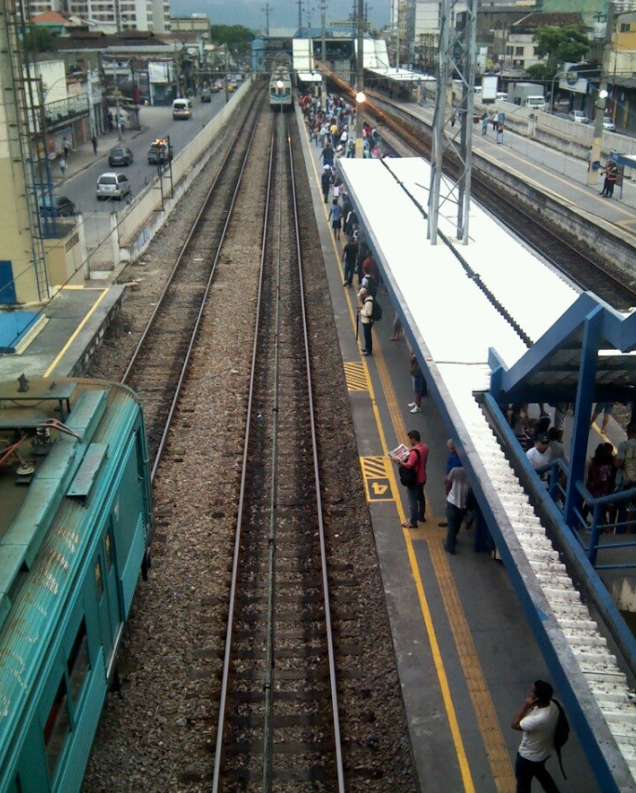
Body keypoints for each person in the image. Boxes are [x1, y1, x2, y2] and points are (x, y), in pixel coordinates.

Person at [512, 680, 561, 793]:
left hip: (528, 756)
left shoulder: (538, 719)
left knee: (523, 783)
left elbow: (515, 725)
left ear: (538, 698)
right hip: (544, 751)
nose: (529, 693)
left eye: (531, 691)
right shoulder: (554, 705)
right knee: (540, 772)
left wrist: (525, 707)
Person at [391, 429, 429, 528]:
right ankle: (421, 516)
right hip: (423, 477)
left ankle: (413, 522)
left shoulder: (414, 453)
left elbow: (408, 465)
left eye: (410, 440)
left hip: (414, 479)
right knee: (420, 497)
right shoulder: (425, 447)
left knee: (412, 500)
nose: (410, 442)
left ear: (413, 439)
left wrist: (398, 461)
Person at [443, 463, 470, 554]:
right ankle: (453, 539)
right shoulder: (471, 473)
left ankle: (450, 546)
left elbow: (448, 483)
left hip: (452, 501)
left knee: (451, 524)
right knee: (458, 523)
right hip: (464, 503)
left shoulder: (455, 470)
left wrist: (448, 494)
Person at [357, 286, 374, 356]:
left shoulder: (368, 302)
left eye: (361, 295)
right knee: (366, 335)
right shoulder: (367, 300)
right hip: (366, 321)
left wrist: (361, 311)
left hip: (368, 321)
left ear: (364, 294)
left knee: (367, 336)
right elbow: (366, 309)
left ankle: (368, 350)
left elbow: (368, 313)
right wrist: (362, 308)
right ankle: (367, 348)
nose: (360, 296)